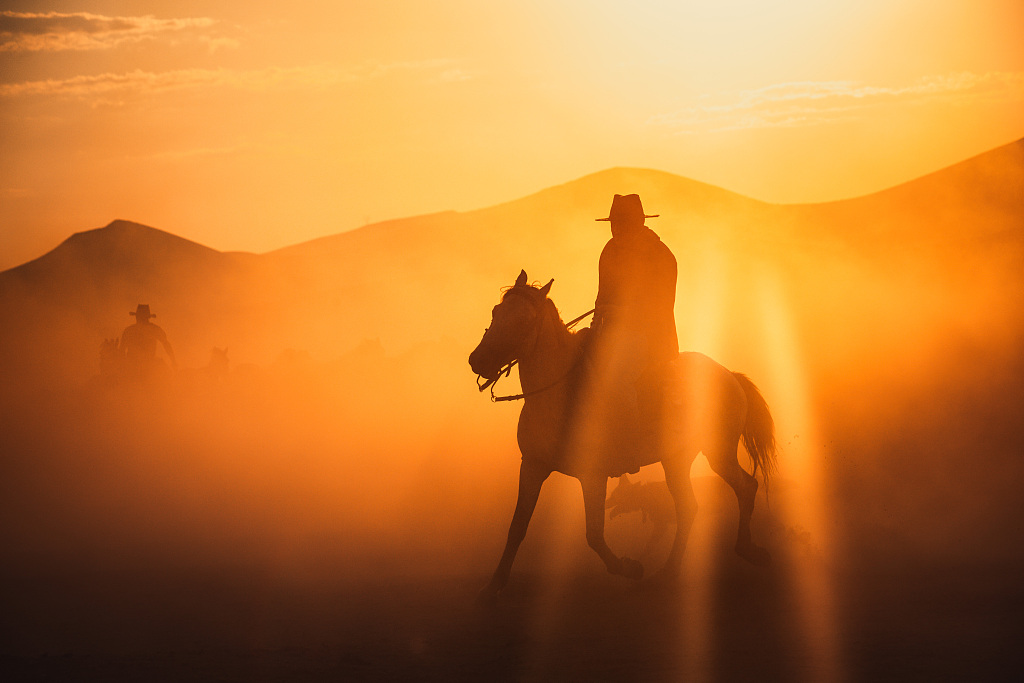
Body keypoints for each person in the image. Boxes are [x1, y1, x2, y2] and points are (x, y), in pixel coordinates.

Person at [582, 194, 679, 474]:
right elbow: (602, 296)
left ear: (636, 223)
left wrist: (620, 313)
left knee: (620, 381)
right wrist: (595, 326)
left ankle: (629, 450)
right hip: (611, 333)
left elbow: (661, 307)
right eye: (614, 224)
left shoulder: (660, 256)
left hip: (650, 338)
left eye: (620, 224)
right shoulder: (610, 250)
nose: (615, 230)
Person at [120, 304, 177, 378]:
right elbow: (166, 344)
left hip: (135, 366)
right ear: (148, 317)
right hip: (145, 366)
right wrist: (173, 361)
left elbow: (121, 350)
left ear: (137, 317)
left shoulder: (129, 330)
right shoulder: (154, 329)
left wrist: (123, 365)